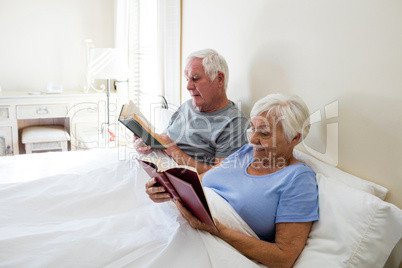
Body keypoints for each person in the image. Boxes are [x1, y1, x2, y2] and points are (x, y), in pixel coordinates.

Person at [145, 93, 319, 268]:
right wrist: (167, 188)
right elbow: (200, 181)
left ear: (294, 138)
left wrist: (214, 229)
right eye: (252, 128)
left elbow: (284, 257)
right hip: (179, 225)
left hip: (214, 243)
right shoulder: (246, 152)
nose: (252, 139)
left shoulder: (298, 179)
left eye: (264, 133)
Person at [134, 49, 249, 174]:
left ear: (219, 79)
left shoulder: (234, 122)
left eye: (195, 78)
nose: (188, 86)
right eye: (187, 79)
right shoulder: (186, 106)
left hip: (173, 177)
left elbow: (221, 175)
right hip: (149, 165)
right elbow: (164, 140)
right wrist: (146, 144)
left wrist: (176, 152)